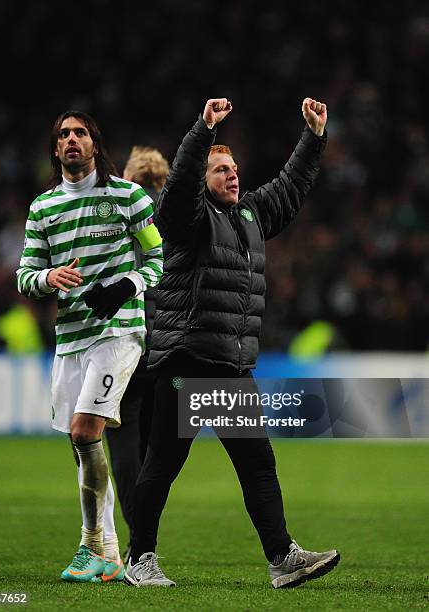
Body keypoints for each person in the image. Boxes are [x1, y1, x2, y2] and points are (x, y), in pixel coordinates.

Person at [125, 97, 340, 589]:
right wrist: (203, 130)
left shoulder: (248, 217)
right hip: (188, 360)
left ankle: (282, 558)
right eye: (220, 169)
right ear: (203, 179)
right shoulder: (187, 219)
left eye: (234, 168)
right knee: (165, 462)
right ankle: (141, 558)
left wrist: (313, 135)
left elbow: (290, 187)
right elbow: (178, 183)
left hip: (227, 364)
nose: (232, 175)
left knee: (255, 463)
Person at [16, 111, 163, 582]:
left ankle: (90, 545)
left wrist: (126, 285)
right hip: (71, 338)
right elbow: (25, 276)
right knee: (84, 447)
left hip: (118, 332)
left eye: (80, 133)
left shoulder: (127, 196)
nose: (72, 140)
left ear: (95, 144)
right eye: (63, 135)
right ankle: (110, 554)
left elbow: (159, 257)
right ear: (56, 149)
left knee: (85, 431)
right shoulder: (43, 209)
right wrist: (48, 277)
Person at [105, 146, 169, 564]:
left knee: (123, 445)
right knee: (151, 451)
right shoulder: (176, 220)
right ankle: (144, 536)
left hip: (123, 341)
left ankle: (138, 539)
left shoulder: (114, 215)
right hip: (163, 348)